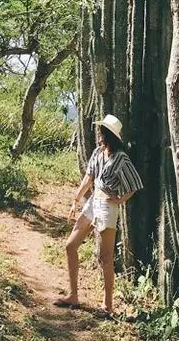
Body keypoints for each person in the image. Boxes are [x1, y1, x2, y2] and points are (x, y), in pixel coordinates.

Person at [55, 114, 143, 317]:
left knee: (106, 258)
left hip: (107, 208)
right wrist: (76, 199)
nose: (98, 134)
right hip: (94, 202)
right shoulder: (97, 153)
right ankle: (74, 295)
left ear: (109, 135)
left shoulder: (121, 158)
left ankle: (108, 305)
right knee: (71, 245)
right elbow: (89, 176)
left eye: (101, 132)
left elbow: (135, 183)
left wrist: (120, 200)